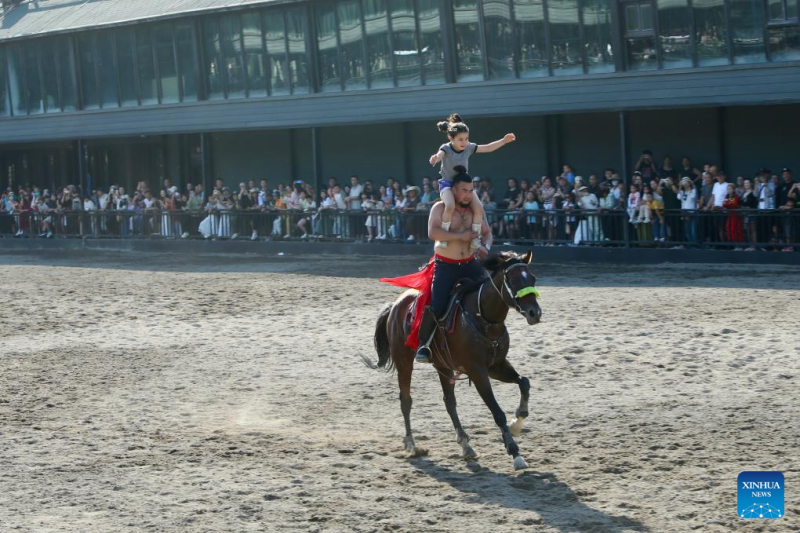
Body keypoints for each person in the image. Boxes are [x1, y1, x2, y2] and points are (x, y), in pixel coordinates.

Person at [380, 166, 493, 364]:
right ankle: (425, 344)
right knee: (437, 304)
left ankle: (491, 337)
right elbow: (433, 233)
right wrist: (461, 236)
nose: (468, 195)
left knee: (489, 294)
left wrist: (486, 246)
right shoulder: (439, 208)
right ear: (454, 191)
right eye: (464, 191)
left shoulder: (474, 211)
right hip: (446, 265)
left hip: (469, 263)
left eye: (471, 191)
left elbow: (487, 232)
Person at [428, 113, 514, 252]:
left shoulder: (468, 147)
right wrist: (435, 158)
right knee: (449, 205)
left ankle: (475, 238)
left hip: (464, 185)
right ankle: (443, 238)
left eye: (466, 138)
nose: (464, 142)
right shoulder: (446, 147)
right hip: (448, 184)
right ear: (451, 138)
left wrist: (503, 141)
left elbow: (488, 148)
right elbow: (439, 155)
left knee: (479, 207)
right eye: (460, 139)